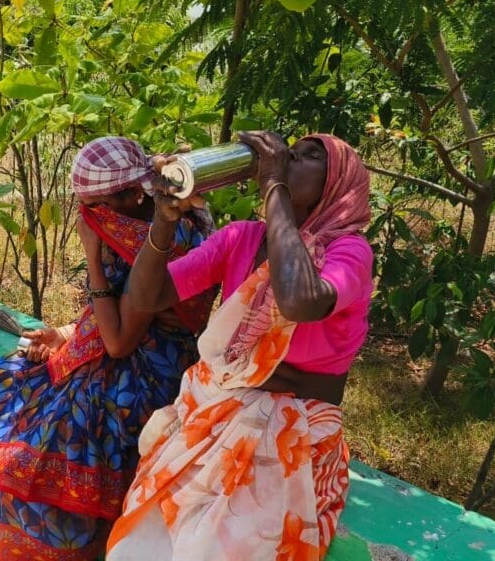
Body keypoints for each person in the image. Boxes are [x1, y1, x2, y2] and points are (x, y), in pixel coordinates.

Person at [106, 131, 373, 561]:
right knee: (141, 541)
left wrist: (273, 186)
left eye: (307, 157)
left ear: (337, 186)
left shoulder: (350, 252)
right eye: (290, 152)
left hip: (294, 432)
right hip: (214, 410)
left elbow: (300, 301)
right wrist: (164, 218)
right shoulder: (243, 239)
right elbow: (146, 298)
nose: (288, 158)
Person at [0, 136, 218, 561]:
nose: (91, 216)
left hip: (151, 363)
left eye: (98, 205)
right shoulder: (136, 219)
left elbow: (120, 342)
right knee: (3, 376)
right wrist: (66, 333)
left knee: (66, 425)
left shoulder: (159, 237)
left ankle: (78, 545)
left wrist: (91, 254)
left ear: (132, 193)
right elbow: (113, 314)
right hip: (126, 337)